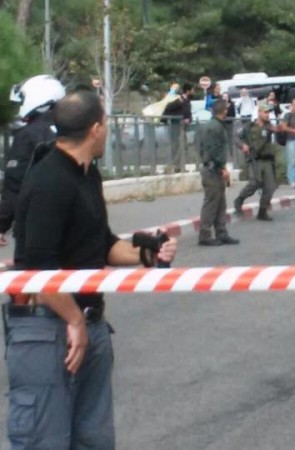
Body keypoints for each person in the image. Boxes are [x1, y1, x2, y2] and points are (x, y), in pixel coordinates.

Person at [6, 89, 178, 449]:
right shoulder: (48, 181)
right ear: (96, 128)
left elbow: (101, 245)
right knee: (44, 440)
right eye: (107, 125)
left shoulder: (87, 175)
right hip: (46, 327)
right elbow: (40, 268)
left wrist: (149, 254)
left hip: (86, 322)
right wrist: (74, 321)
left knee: (94, 440)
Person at [0, 75, 65, 247]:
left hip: (38, 230)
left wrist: (2, 224)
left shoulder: (28, 136)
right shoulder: (71, 131)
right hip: (75, 226)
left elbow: (15, 184)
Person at [198, 100, 240, 245]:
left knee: (220, 202)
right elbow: (213, 150)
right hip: (212, 169)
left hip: (212, 167)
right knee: (212, 203)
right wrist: (221, 168)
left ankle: (221, 232)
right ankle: (204, 234)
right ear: (223, 110)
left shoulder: (213, 125)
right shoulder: (215, 127)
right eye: (226, 109)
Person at [233, 104, 280, 221]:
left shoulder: (269, 126)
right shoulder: (249, 126)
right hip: (255, 159)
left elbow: (278, 129)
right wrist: (243, 145)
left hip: (268, 159)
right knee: (254, 183)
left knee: (270, 186)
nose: (267, 115)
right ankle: (239, 199)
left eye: (268, 113)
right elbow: (236, 138)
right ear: (259, 112)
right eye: (265, 112)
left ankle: (262, 211)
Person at [163, 83, 193, 172]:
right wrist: (179, 102)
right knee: (176, 147)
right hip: (175, 127)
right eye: (192, 90)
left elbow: (189, 115)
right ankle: (175, 166)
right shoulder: (176, 100)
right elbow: (168, 110)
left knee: (184, 147)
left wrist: (188, 120)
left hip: (183, 128)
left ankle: (180, 166)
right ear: (188, 90)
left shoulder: (187, 101)